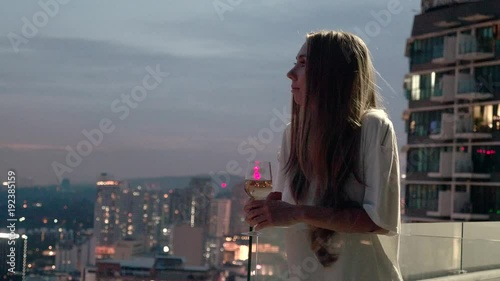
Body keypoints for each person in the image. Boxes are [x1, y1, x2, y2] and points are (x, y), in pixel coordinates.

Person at [244, 30, 403, 280]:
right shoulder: (292, 135)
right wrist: (267, 209)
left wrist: (297, 213)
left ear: (330, 73)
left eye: (303, 63)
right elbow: (287, 204)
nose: (290, 73)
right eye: (295, 62)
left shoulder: (373, 127)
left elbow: (377, 221)